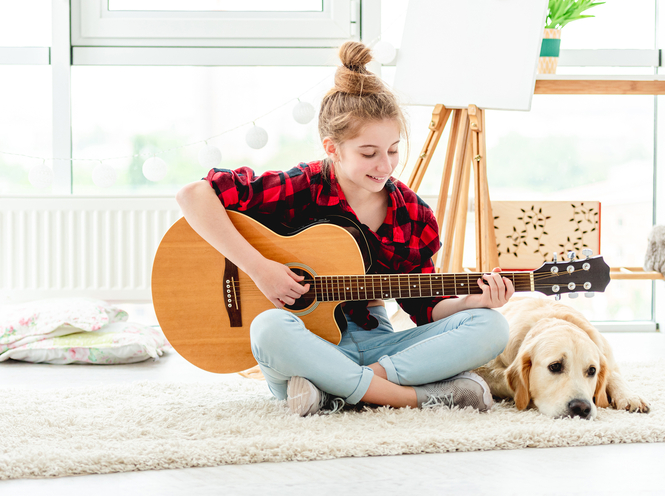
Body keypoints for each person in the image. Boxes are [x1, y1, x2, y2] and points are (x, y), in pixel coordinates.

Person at [176, 41, 513, 417]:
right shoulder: (302, 186)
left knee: (492, 326)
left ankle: (336, 388)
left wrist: (473, 301)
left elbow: (425, 306)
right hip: (307, 345)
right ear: (332, 148)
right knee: (269, 328)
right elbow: (193, 195)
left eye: (393, 150)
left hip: (379, 346)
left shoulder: (413, 215)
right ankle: (408, 397)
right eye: (369, 153)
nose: (385, 166)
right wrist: (260, 269)